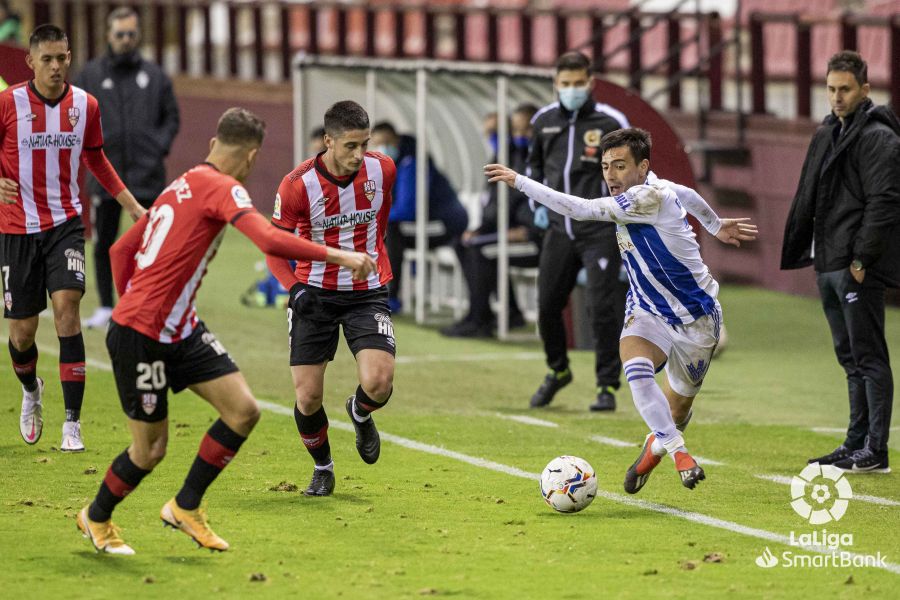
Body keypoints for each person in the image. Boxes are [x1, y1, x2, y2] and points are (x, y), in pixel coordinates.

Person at [76, 107, 376, 555]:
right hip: (142, 336)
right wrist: (340, 256)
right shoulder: (223, 188)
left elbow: (121, 249)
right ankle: (96, 517)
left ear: (215, 143)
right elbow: (270, 240)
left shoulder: (181, 183)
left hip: (179, 328)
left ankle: (186, 506)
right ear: (252, 156)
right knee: (149, 451)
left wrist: (133, 300)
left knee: (243, 410)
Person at [485, 127, 757, 492]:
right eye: (605, 166)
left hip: (697, 319)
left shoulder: (646, 198)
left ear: (642, 168)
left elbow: (580, 209)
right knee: (638, 371)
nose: (611, 176)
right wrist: (714, 223)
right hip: (646, 310)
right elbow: (687, 193)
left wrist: (520, 181)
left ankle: (653, 452)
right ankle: (680, 454)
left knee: (676, 414)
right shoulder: (661, 187)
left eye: (620, 166)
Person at [0, 25, 145, 452]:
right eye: (47, 58)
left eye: (62, 57)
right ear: (30, 61)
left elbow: (96, 158)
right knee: (23, 333)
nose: (56, 66)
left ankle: (72, 423)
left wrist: (134, 207)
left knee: (67, 310)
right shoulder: (8, 104)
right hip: (16, 229)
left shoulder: (85, 105)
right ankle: (31, 390)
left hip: (65, 224)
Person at [267, 101, 397, 497]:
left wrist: (374, 260)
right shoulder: (296, 185)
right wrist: (294, 287)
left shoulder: (382, 169)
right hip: (314, 295)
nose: (359, 155)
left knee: (378, 381)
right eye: (350, 146)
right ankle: (323, 466)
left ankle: (359, 413)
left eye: (364, 144)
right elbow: (274, 246)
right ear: (328, 141)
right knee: (307, 397)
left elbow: (382, 219)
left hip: (366, 292)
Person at [782, 50, 900, 474]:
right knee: (848, 356)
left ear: (865, 90)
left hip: (853, 265)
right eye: (831, 89)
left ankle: (877, 449)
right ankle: (855, 443)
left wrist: (862, 258)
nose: (836, 97)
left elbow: (884, 202)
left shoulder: (878, 138)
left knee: (868, 356)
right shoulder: (829, 131)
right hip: (828, 260)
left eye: (845, 89)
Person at [527, 51, 629, 412]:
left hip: (599, 229)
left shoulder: (611, 121)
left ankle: (607, 386)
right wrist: (536, 208)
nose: (571, 90)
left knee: (602, 307)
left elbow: (629, 175)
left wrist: (624, 219)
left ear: (590, 83)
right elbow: (534, 170)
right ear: (555, 84)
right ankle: (558, 370)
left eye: (577, 84)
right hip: (558, 228)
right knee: (546, 305)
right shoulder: (543, 121)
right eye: (564, 84)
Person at [76, 6, 180, 330]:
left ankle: (148, 303)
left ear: (138, 36)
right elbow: (76, 117)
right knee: (104, 242)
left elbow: (171, 117)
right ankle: (106, 306)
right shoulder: (90, 75)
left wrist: (157, 146)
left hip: (147, 177)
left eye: (131, 34)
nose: (125, 40)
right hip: (106, 178)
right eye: (120, 34)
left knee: (151, 242)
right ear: (109, 35)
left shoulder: (155, 76)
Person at [441, 103, 542, 338]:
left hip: (534, 238)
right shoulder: (510, 156)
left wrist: (526, 230)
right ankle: (491, 313)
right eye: (515, 131)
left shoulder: (542, 160)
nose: (520, 136)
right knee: (464, 243)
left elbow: (536, 203)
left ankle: (481, 319)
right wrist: (482, 228)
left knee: (481, 251)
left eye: (525, 130)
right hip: (512, 230)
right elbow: (499, 202)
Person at [370, 120, 468, 313]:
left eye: (386, 142)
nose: (383, 149)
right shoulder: (393, 165)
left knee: (390, 230)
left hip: (446, 223)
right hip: (425, 223)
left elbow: (408, 209)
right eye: (377, 144)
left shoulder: (412, 163)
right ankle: (375, 292)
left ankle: (391, 297)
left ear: (396, 139)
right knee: (382, 230)